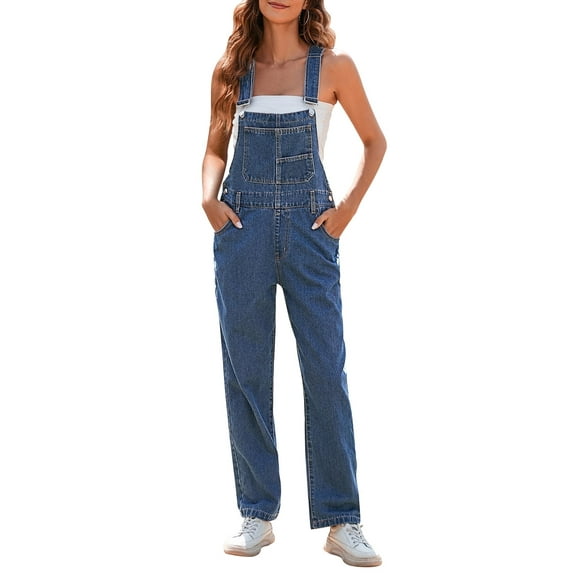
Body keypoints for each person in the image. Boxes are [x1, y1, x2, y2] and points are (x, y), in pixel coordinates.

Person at [201, 0, 387, 567]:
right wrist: (208, 198)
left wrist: (346, 210)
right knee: (247, 371)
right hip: (243, 231)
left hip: (311, 234)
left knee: (326, 371)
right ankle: (256, 512)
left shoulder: (334, 68)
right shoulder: (232, 71)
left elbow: (375, 142)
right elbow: (214, 149)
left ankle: (342, 519)